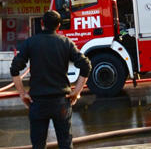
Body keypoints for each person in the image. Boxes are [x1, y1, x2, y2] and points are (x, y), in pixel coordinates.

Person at [10, 9, 92, 149]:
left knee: (38, 145)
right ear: (59, 25)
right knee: (65, 144)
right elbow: (86, 66)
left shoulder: (31, 42)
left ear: (42, 23)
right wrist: (76, 92)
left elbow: (14, 69)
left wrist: (22, 93)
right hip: (61, 102)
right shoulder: (66, 42)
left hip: (38, 103)